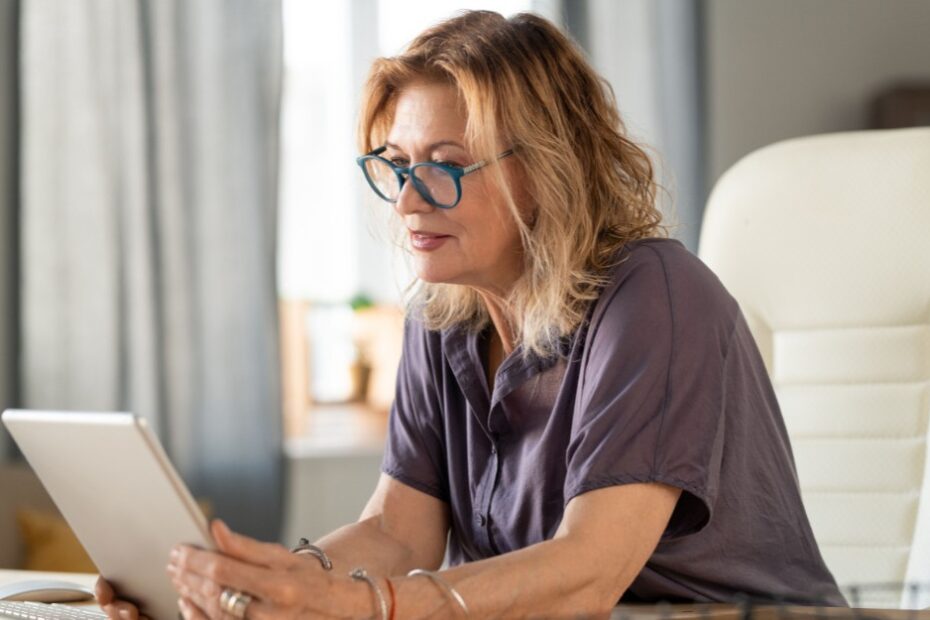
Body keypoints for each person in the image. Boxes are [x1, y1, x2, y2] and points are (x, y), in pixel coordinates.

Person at [97, 10, 845, 619]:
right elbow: (398, 530)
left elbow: (590, 571)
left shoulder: (655, 295)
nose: (410, 200)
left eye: (446, 165)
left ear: (549, 166)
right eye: (395, 164)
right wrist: (261, 587)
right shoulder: (444, 315)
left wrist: (368, 607)